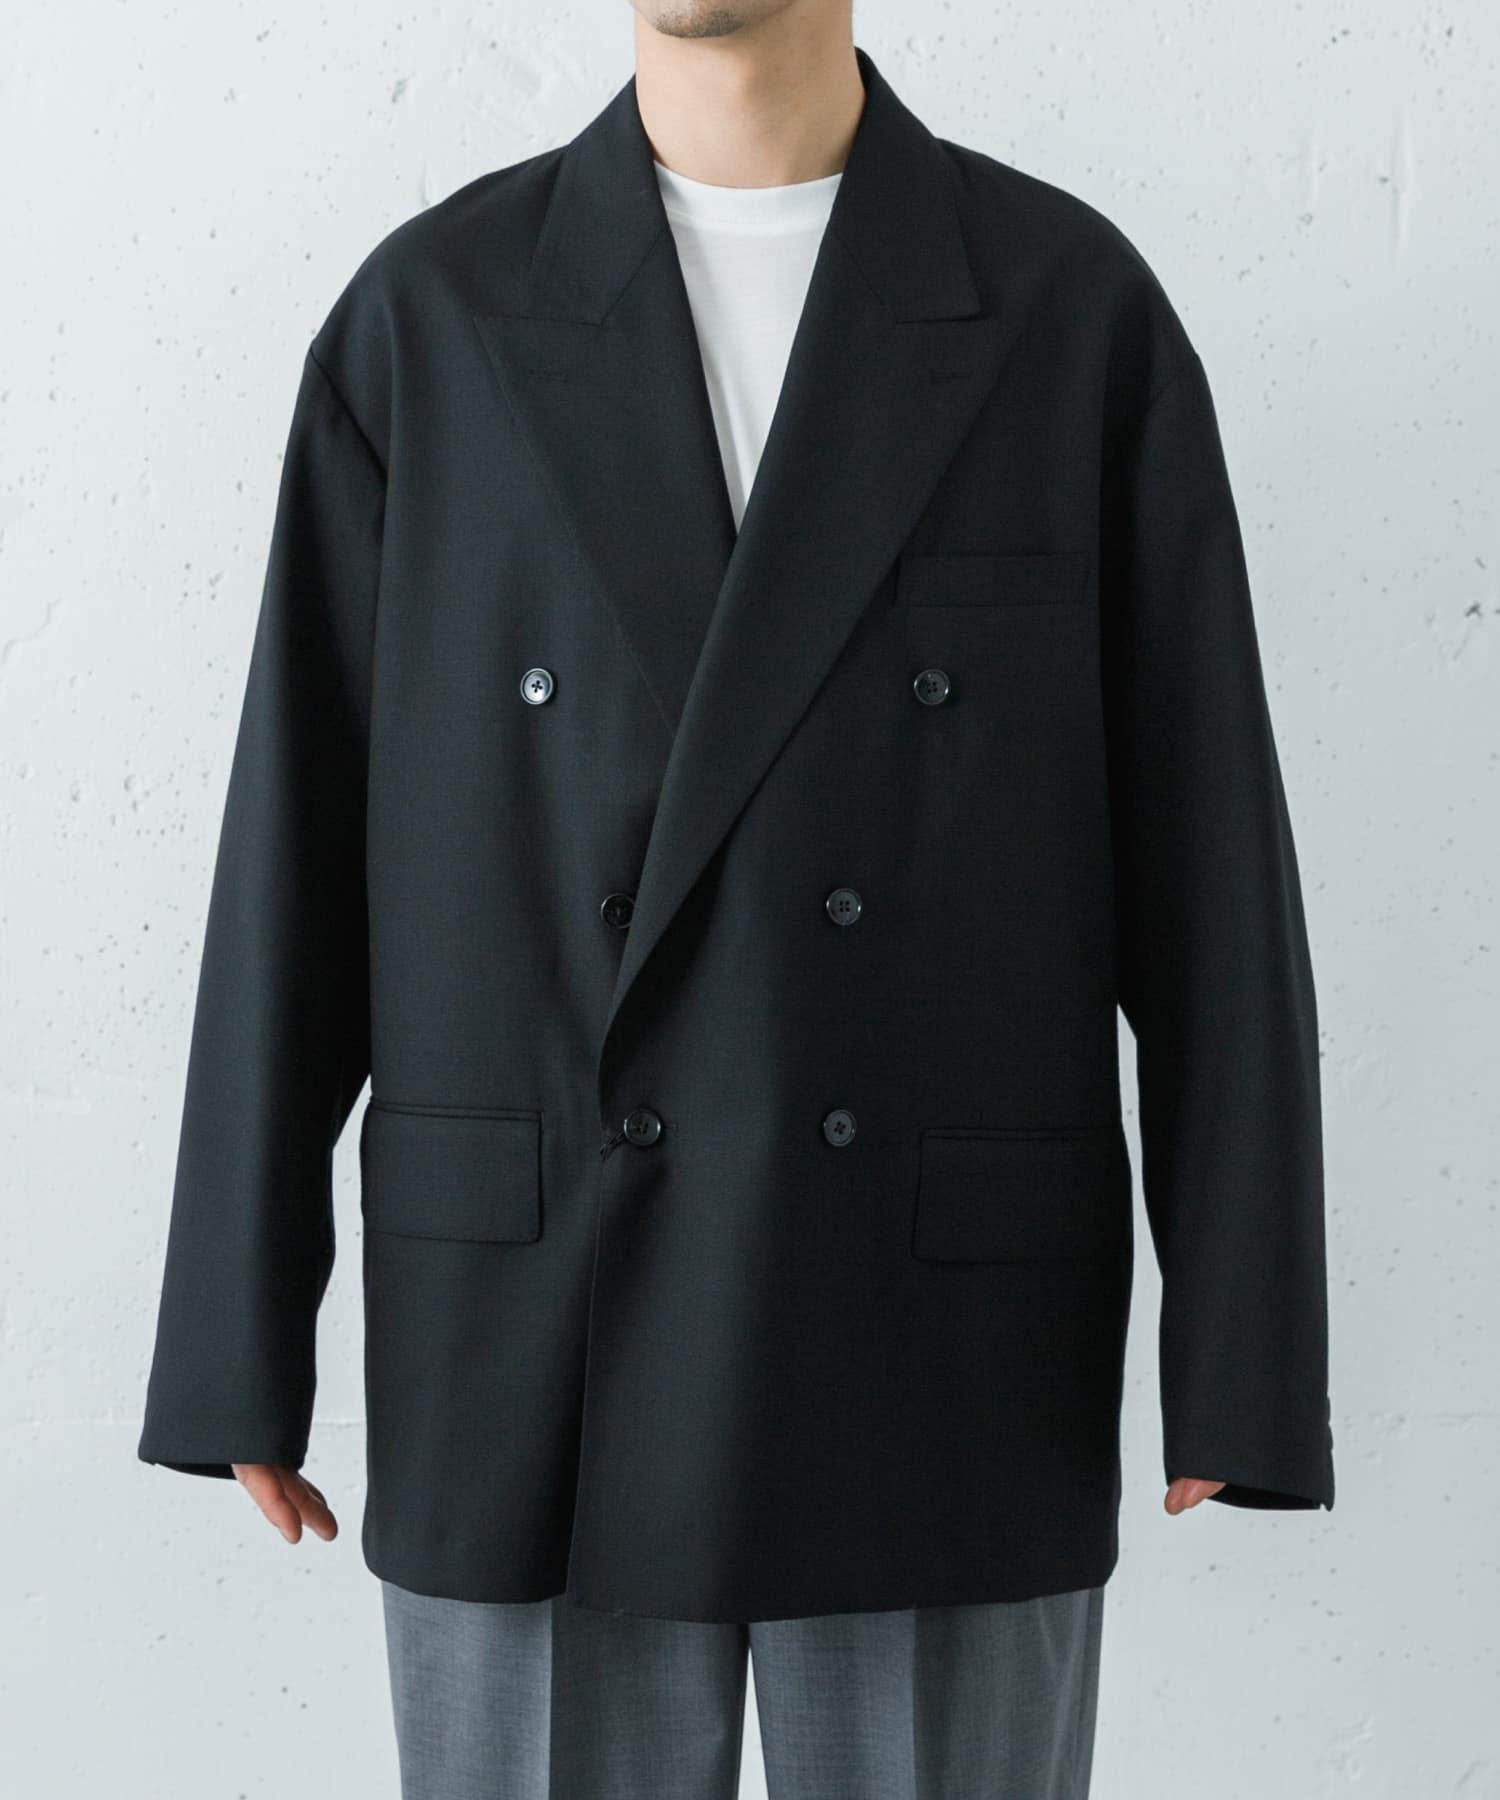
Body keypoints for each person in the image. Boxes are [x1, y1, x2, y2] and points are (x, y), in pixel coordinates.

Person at [137, 3, 1336, 1794]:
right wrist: (234, 1337)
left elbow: (1211, 870)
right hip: (540, 1321)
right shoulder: (432, 320)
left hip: (933, 1329)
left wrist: (1243, 1354)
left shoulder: (1068, 309)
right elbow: (293, 848)